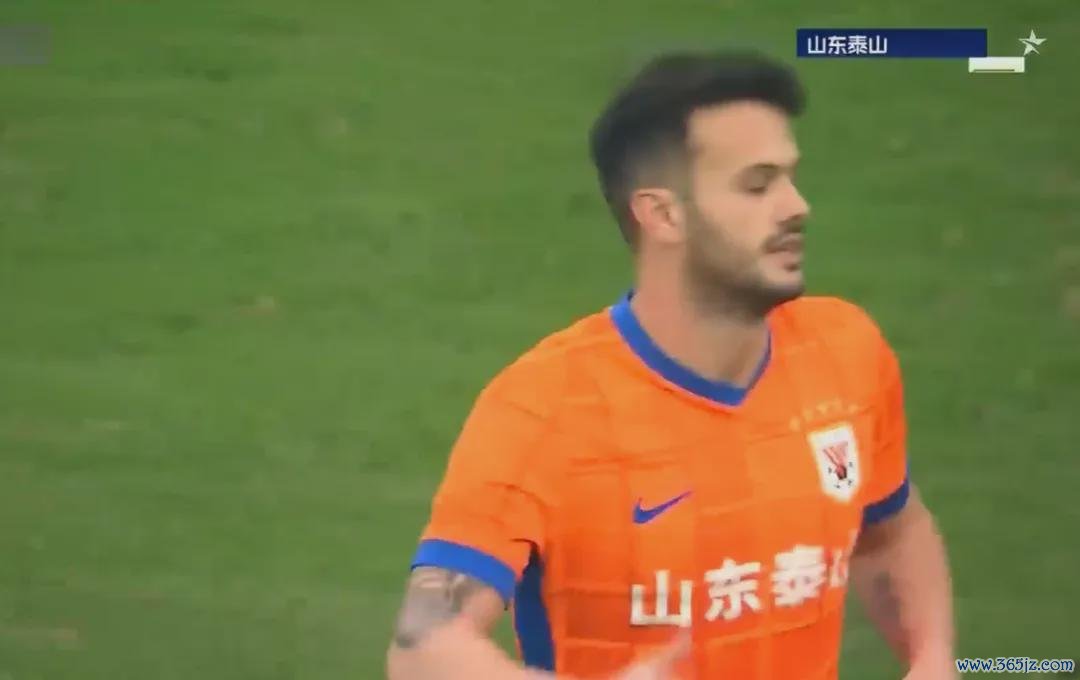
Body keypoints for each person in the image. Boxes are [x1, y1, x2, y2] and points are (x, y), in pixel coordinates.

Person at [385, 50, 956, 680]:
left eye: (791, 178)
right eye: (757, 185)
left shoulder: (845, 352)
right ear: (662, 215)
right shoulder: (544, 409)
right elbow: (423, 649)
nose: (796, 206)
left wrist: (932, 657)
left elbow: (891, 530)